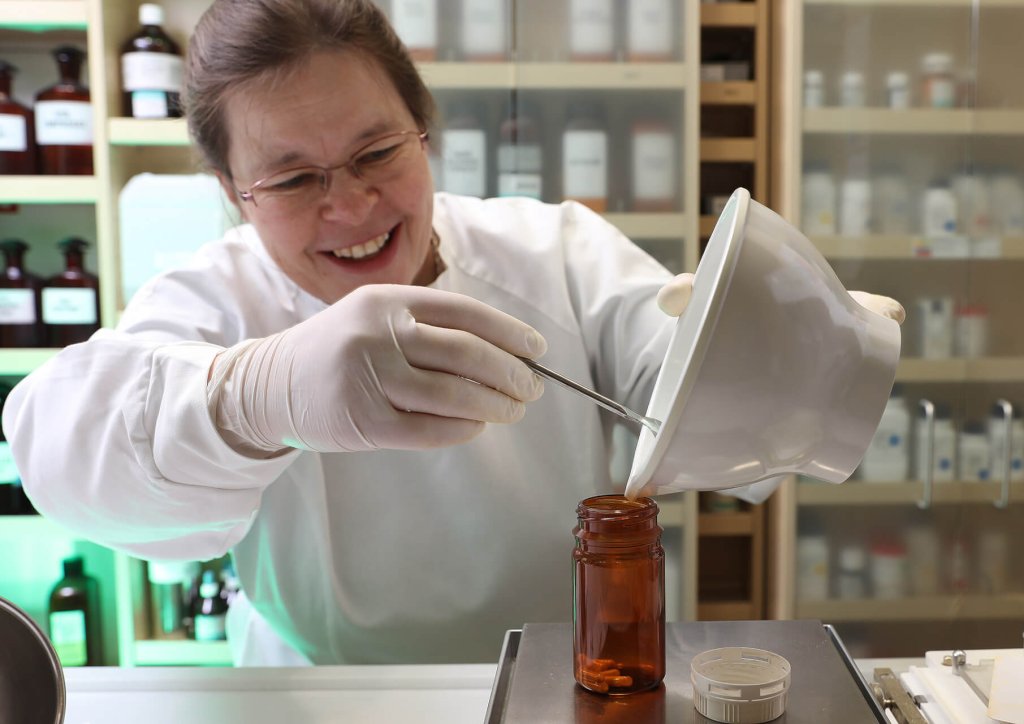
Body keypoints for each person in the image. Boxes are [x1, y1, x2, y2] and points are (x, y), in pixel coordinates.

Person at [1, 0, 904, 666]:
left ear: (423, 130)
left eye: (376, 152)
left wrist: (785, 350)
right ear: (230, 190)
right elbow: (55, 442)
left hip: (572, 680)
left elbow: (690, 391)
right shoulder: (213, 300)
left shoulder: (554, 250)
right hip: (322, 693)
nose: (349, 205)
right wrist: (252, 393)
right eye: (291, 179)